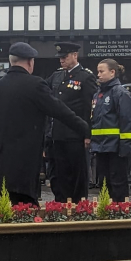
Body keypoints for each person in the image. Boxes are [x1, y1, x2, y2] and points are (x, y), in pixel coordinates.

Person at [0, 43, 89, 206]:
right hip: (26, 165)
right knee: (25, 208)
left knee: (5, 206)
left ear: (11, 62)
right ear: (30, 62)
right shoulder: (35, 85)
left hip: (2, 162)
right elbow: (60, 111)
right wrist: (85, 128)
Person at [45, 42, 98, 202]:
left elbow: (90, 108)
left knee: (76, 173)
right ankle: (61, 202)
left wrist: (87, 134)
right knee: (58, 172)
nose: (61, 60)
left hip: (75, 134)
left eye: (65, 57)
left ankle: (78, 203)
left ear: (75, 55)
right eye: (60, 57)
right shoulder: (56, 76)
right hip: (57, 133)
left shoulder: (85, 77)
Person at [90, 59, 131, 201]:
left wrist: (125, 147)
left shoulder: (120, 93)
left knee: (118, 183)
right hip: (101, 147)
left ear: (112, 72)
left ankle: (120, 212)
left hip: (116, 148)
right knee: (104, 183)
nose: (98, 74)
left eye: (101, 71)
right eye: (98, 71)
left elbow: (127, 121)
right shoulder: (98, 94)